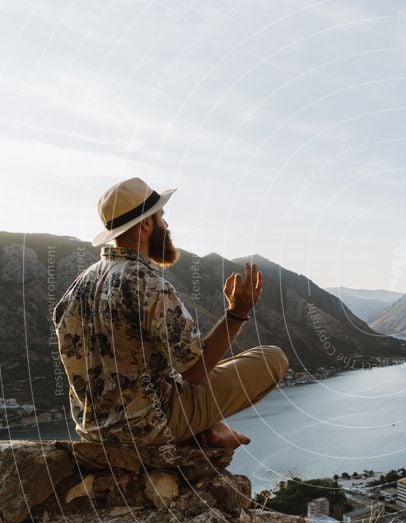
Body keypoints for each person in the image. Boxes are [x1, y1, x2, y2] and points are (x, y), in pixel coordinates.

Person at [53, 177, 289, 449]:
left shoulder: (78, 286)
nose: (166, 225)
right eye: (162, 217)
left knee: (164, 371)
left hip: (93, 430)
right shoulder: (147, 284)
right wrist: (237, 313)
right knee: (272, 358)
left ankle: (212, 427)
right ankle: (208, 428)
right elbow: (195, 372)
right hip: (149, 428)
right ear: (146, 224)